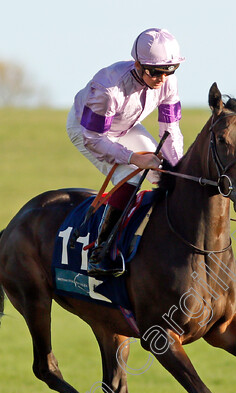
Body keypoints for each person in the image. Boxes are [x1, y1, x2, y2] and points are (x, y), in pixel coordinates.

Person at [67, 28, 185, 277]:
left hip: (126, 126)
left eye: (169, 70)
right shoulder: (109, 90)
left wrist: (176, 168)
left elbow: (171, 129)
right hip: (89, 131)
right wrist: (134, 158)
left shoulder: (167, 83)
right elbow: (94, 139)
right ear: (138, 64)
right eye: (155, 71)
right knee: (130, 177)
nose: (162, 78)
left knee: (168, 176)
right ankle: (100, 252)